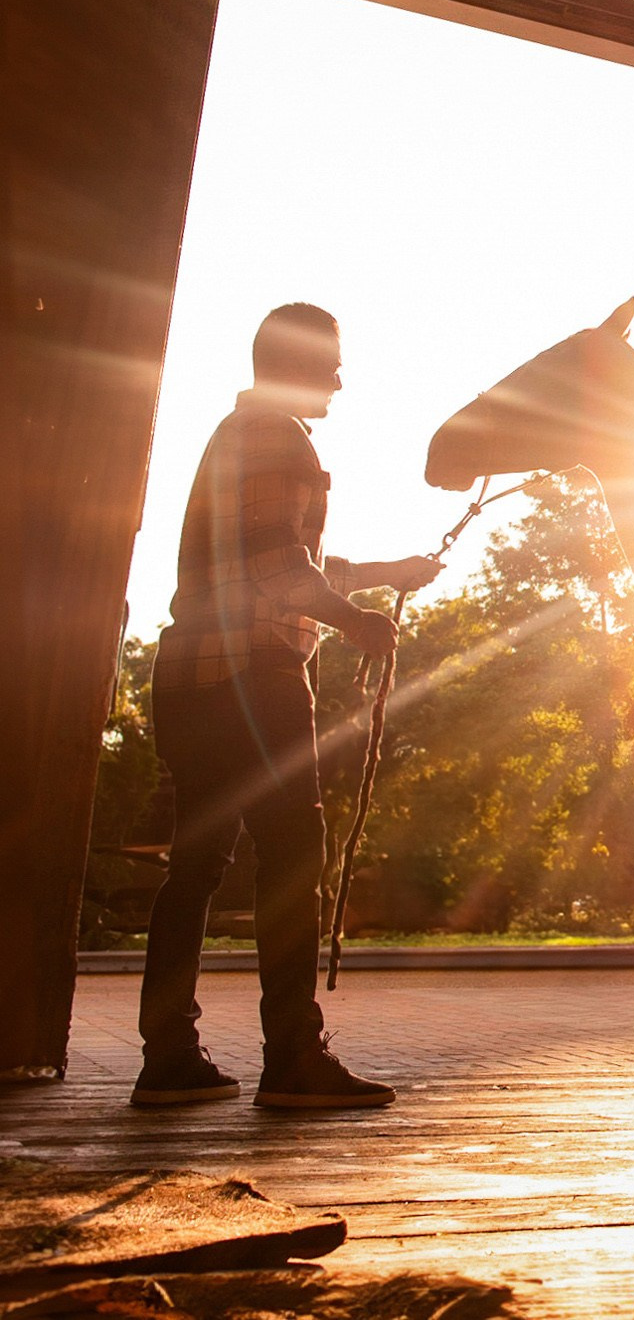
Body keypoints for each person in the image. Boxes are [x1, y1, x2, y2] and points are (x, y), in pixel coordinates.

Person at [131, 304, 442, 1109]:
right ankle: (294, 1060)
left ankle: (167, 1059)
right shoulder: (278, 438)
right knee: (295, 857)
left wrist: (389, 573)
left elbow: (278, 561)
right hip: (254, 680)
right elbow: (279, 567)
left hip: (191, 677)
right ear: (297, 363)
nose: (340, 378)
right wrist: (356, 622)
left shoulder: (240, 436)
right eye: (330, 362)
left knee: (194, 869)